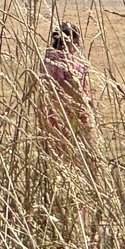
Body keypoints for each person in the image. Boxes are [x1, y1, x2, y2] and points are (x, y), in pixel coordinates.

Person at [37, 23, 96, 155]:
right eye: (75, 42)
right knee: (67, 148)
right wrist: (82, 100)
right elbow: (61, 84)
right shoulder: (55, 58)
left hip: (73, 108)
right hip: (64, 109)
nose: (77, 46)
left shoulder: (62, 58)